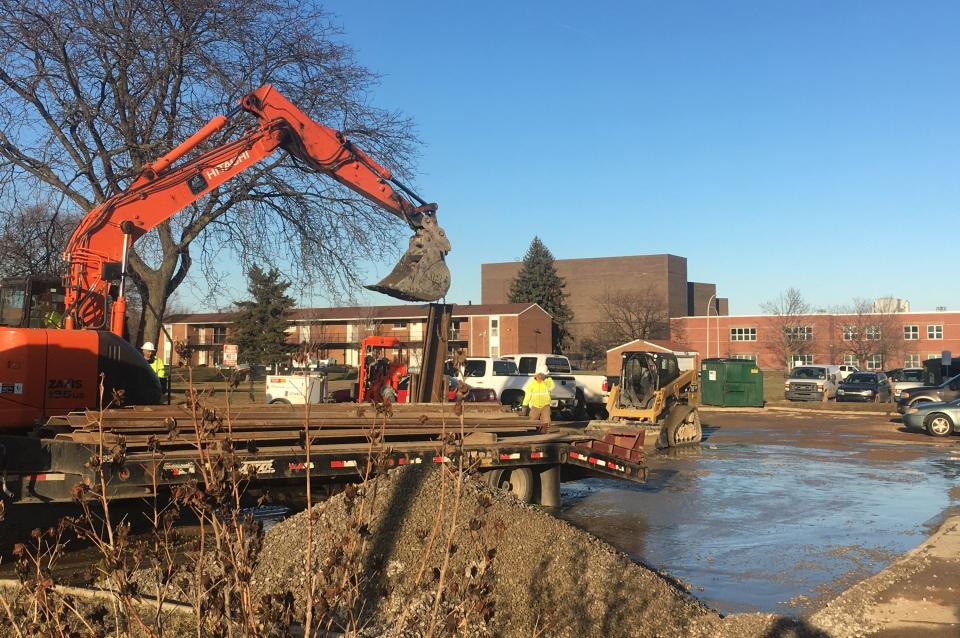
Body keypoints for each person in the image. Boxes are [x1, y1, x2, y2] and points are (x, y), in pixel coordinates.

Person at [522, 365, 555, 432]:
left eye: (543, 375)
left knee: (546, 422)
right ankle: (531, 434)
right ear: (537, 374)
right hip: (535, 406)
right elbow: (528, 395)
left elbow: (552, 387)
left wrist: (545, 380)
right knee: (532, 421)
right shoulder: (532, 383)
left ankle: (544, 434)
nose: (541, 376)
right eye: (540, 375)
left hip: (545, 405)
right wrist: (525, 405)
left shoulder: (548, 381)